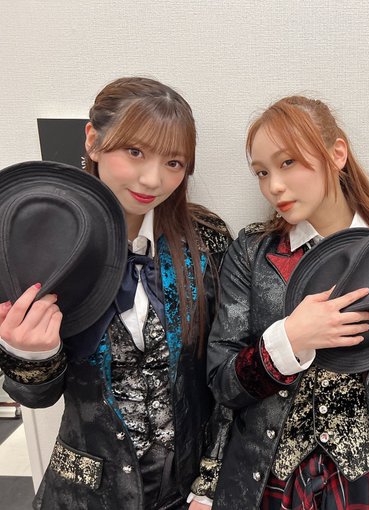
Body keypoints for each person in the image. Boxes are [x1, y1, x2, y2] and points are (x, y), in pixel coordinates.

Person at [0, 77, 232, 509]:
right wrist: (28, 354)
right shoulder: (45, 247)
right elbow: (36, 396)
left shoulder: (206, 241)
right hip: (86, 494)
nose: (153, 178)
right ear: (93, 140)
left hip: (187, 493)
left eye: (174, 162)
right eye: (135, 152)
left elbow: (226, 374)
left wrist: (210, 483)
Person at [207, 96, 369, 509]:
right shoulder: (253, 252)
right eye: (262, 172)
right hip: (270, 480)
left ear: (337, 153)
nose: (274, 186)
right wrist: (289, 339)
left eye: (288, 162)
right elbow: (222, 381)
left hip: (365, 480)